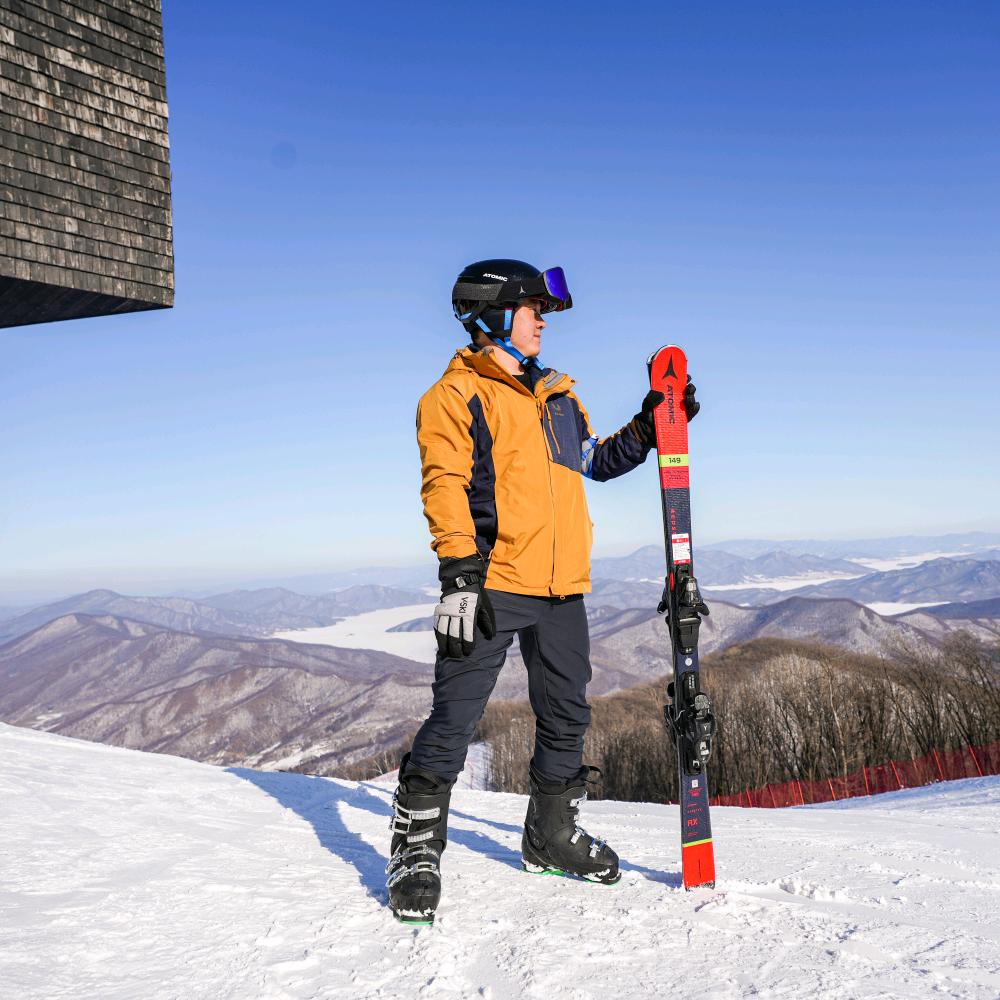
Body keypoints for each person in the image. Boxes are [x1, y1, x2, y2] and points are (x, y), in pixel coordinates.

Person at [386, 259, 700, 924]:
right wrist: (459, 576)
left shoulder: (558, 396)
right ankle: (416, 850)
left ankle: (550, 836)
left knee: (567, 716)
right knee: (455, 718)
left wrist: (647, 429)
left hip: (562, 586)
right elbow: (444, 484)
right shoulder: (456, 395)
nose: (542, 324)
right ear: (495, 315)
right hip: (492, 583)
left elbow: (593, 461)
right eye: (533, 311)